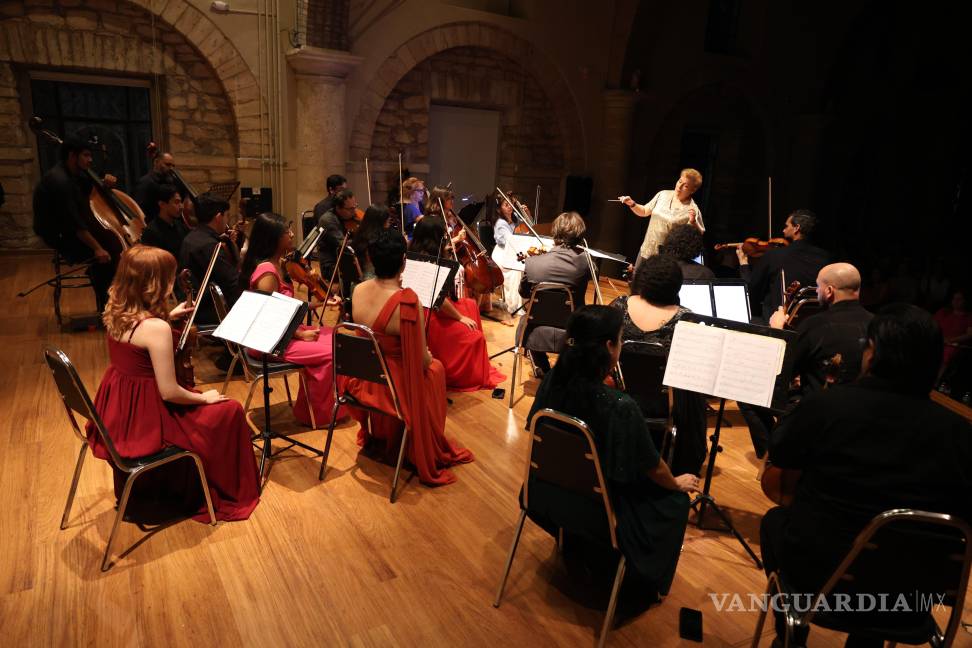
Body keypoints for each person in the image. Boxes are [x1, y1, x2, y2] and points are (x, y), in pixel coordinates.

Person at [760, 304, 972, 647]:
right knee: (890, 554)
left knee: (774, 521)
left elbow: (780, 461)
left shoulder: (828, 406)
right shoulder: (960, 434)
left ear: (872, 354)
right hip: (910, 600)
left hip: (825, 584)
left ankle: (792, 631)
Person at [526, 305, 699, 611]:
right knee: (675, 501)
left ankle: (579, 547)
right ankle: (646, 584)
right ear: (608, 347)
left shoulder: (552, 380)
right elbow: (653, 467)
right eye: (620, 339)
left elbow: (533, 428)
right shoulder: (620, 406)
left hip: (542, 495)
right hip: (596, 515)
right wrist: (675, 483)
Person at [87, 245, 259, 521]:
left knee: (213, 404)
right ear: (154, 283)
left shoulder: (116, 312)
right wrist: (204, 398)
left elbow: (142, 344)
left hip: (120, 412)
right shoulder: (156, 329)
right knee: (230, 410)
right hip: (150, 418)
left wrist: (169, 316)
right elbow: (169, 392)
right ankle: (228, 488)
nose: (172, 283)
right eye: (169, 277)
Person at [342, 229, 473, 485]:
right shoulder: (407, 302)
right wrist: (427, 355)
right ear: (404, 261)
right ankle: (417, 444)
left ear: (370, 258)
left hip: (362, 376)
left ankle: (385, 434)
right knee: (435, 370)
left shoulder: (358, 289)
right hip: (392, 385)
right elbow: (421, 362)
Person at [742, 262, 874, 458]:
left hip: (820, 410)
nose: (817, 291)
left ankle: (775, 458)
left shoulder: (815, 325)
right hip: (867, 408)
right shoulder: (877, 323)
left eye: (818, 286)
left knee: (747, 393)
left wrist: (778, 330)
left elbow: (781, 371)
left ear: (829, 291)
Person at [240, 213, 344, 426]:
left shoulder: (277, 264)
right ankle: (317, 415)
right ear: (274, 238)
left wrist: (319, 304)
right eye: (287, 231)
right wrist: (298, 333)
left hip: (282, 334)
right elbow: (265, 316)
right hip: (270, 342)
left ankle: (317, 406)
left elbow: (286, 308)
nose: (292, 234)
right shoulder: (267, 272)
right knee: (332, 350)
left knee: (337, 337)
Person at [609, 255, 708, 475]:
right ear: (676, 285)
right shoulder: (686, 319)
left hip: (619, 397)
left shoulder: (619, 306)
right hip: (663, 404)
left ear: (643, 280)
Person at [409, 216, 505, 391]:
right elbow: (438, 299)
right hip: (430, 313)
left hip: (428, 306)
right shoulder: (430, 260)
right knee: (473, 334)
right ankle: (469, 372)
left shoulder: (413, 252)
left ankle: (478, 361)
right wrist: (460, 318)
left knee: (470, 304)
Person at [32, 136, 120, 312]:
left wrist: (103, 183)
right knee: (109, 255)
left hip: (70, 227)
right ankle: (107, 309)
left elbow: (87, 190)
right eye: (86, 155)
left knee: (110, 246)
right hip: (59, 235)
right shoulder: (60, 181)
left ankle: (108, 298)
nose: (90, 160)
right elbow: (75, 224)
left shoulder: (72, 173)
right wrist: (97, 248)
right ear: (72, 156)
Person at [518, 211, 591, 375]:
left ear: (554, 233)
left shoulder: (532, 263)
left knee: (528, 315)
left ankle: (542, 366)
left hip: (535, 331)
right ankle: (565, 369)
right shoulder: (586, 263)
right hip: (573, 330)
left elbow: (523, 292)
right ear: (579, 235)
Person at [737, 209, 829, 322]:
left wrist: (743, 263)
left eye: (786, 226)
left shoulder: (774, 255)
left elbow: (751, 292)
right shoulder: (826, 258)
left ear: (796, 228)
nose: (783, 230)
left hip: (776, 325)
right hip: (813, 324)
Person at [178, 192, 241, 325]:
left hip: (198, 306)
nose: (227, 221)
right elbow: (231, 282)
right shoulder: (209, 245)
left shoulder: (190, 238)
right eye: (227, 216)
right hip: (213, 311)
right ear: (219, 217)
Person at [619, 168, 705, 267]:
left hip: (666, 258)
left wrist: (693, 221)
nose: (679, 186)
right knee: (638, 280)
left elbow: (699, 233)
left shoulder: (692, 209)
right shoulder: (663, 194)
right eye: (680, 181)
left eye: (685, 186)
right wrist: (632, 204)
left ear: (692, 190)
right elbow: (644, 211)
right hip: (646, 249)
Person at [488, 190, 525, 321]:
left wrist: (526, 214)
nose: (509, 206)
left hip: (514, 252)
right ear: (499, 208)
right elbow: (510, 241)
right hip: (502, 254)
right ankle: (513, 306)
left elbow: (529, 227)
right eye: (506, 204)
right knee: (516, 270)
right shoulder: (500, 223)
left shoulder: (515, 218)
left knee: (523, 267)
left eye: (510, 203)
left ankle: (521, 303)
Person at [316, 189, 360, 282]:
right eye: (350, 209)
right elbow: (344, 246)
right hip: (333, 266)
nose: (354, 211)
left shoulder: (349, 218)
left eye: (355, 206)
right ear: (338, 208)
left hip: (347, 261)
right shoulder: (328, 221)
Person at [140, 184, 189, 260]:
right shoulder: (151, 232)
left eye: (181, 202)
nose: (181, 206)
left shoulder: (180, 226)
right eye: (176, 202)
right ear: (162, 204)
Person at [134, 150, 176, 223]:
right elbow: (139, 209)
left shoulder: (170, 182)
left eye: (173, 166)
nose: (171, 168)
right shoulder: (145, 182)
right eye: (168, 165)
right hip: (152, 226)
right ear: (156, 162)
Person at [352, 205, 391, 281]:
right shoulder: (375, 241)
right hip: (373, 281)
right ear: (380, 221)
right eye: (387, 218)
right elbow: (384, 266)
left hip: (361, 279)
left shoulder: (361, 236)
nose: (389, 219)